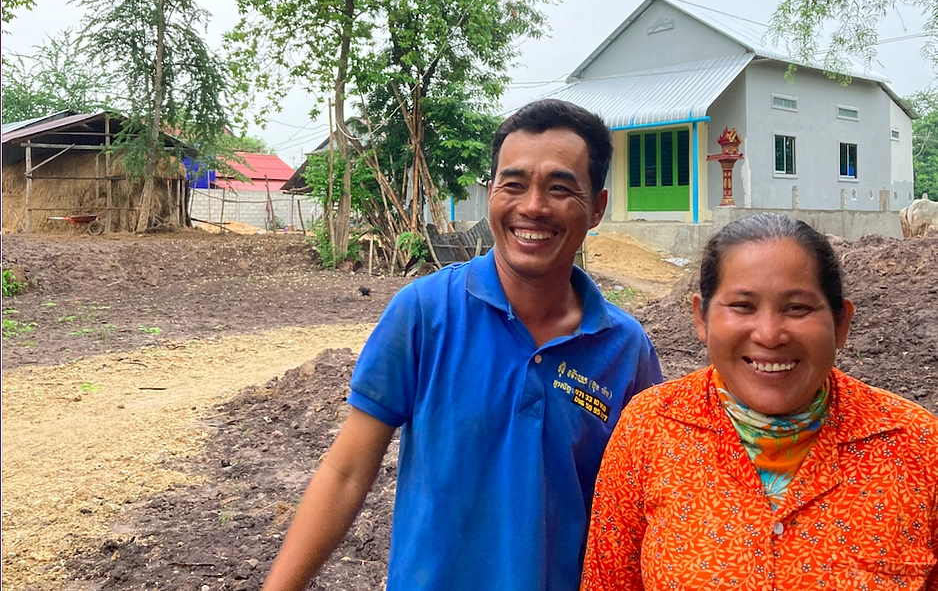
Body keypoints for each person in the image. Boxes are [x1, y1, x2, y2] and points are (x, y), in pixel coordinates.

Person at [262, 99, 663, 591]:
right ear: (492, 192)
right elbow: (346, 473)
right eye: (513, 184)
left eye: (560, 189)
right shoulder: (426, 312)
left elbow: (643, 505)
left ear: (597, 207)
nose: (532, 206)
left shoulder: (624, 349)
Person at [580, 212, 938, 591]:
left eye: (797, 308)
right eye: (742, 306)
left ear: (841, 323)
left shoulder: (916, 447)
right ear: (701, 317)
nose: (769, 335)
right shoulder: (649, 430)